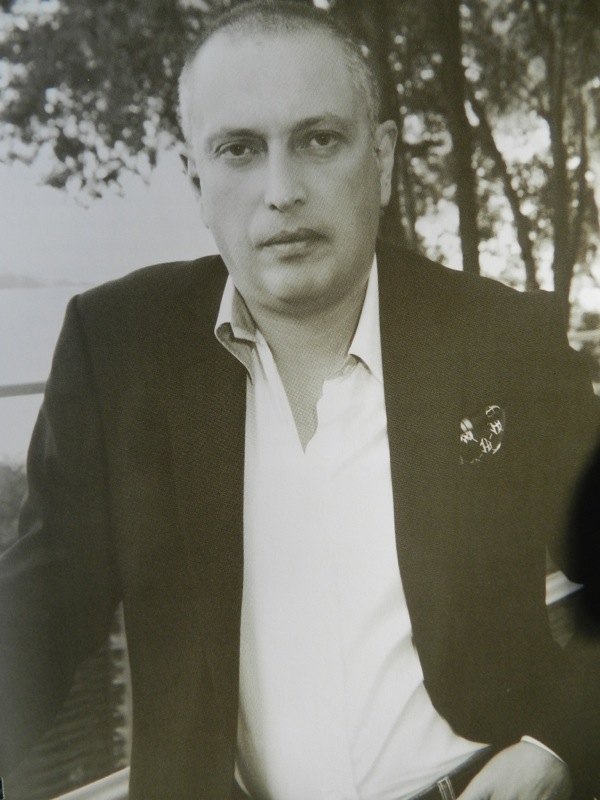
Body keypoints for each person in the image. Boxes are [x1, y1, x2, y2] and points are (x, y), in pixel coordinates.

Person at [0, 2, 599, 798]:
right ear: (197, 180)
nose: (281, 191)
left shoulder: (501, 339)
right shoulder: (120, 350)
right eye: (239, 150)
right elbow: (38, 617)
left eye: (318, 140)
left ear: (382, 159)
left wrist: (557, 742)